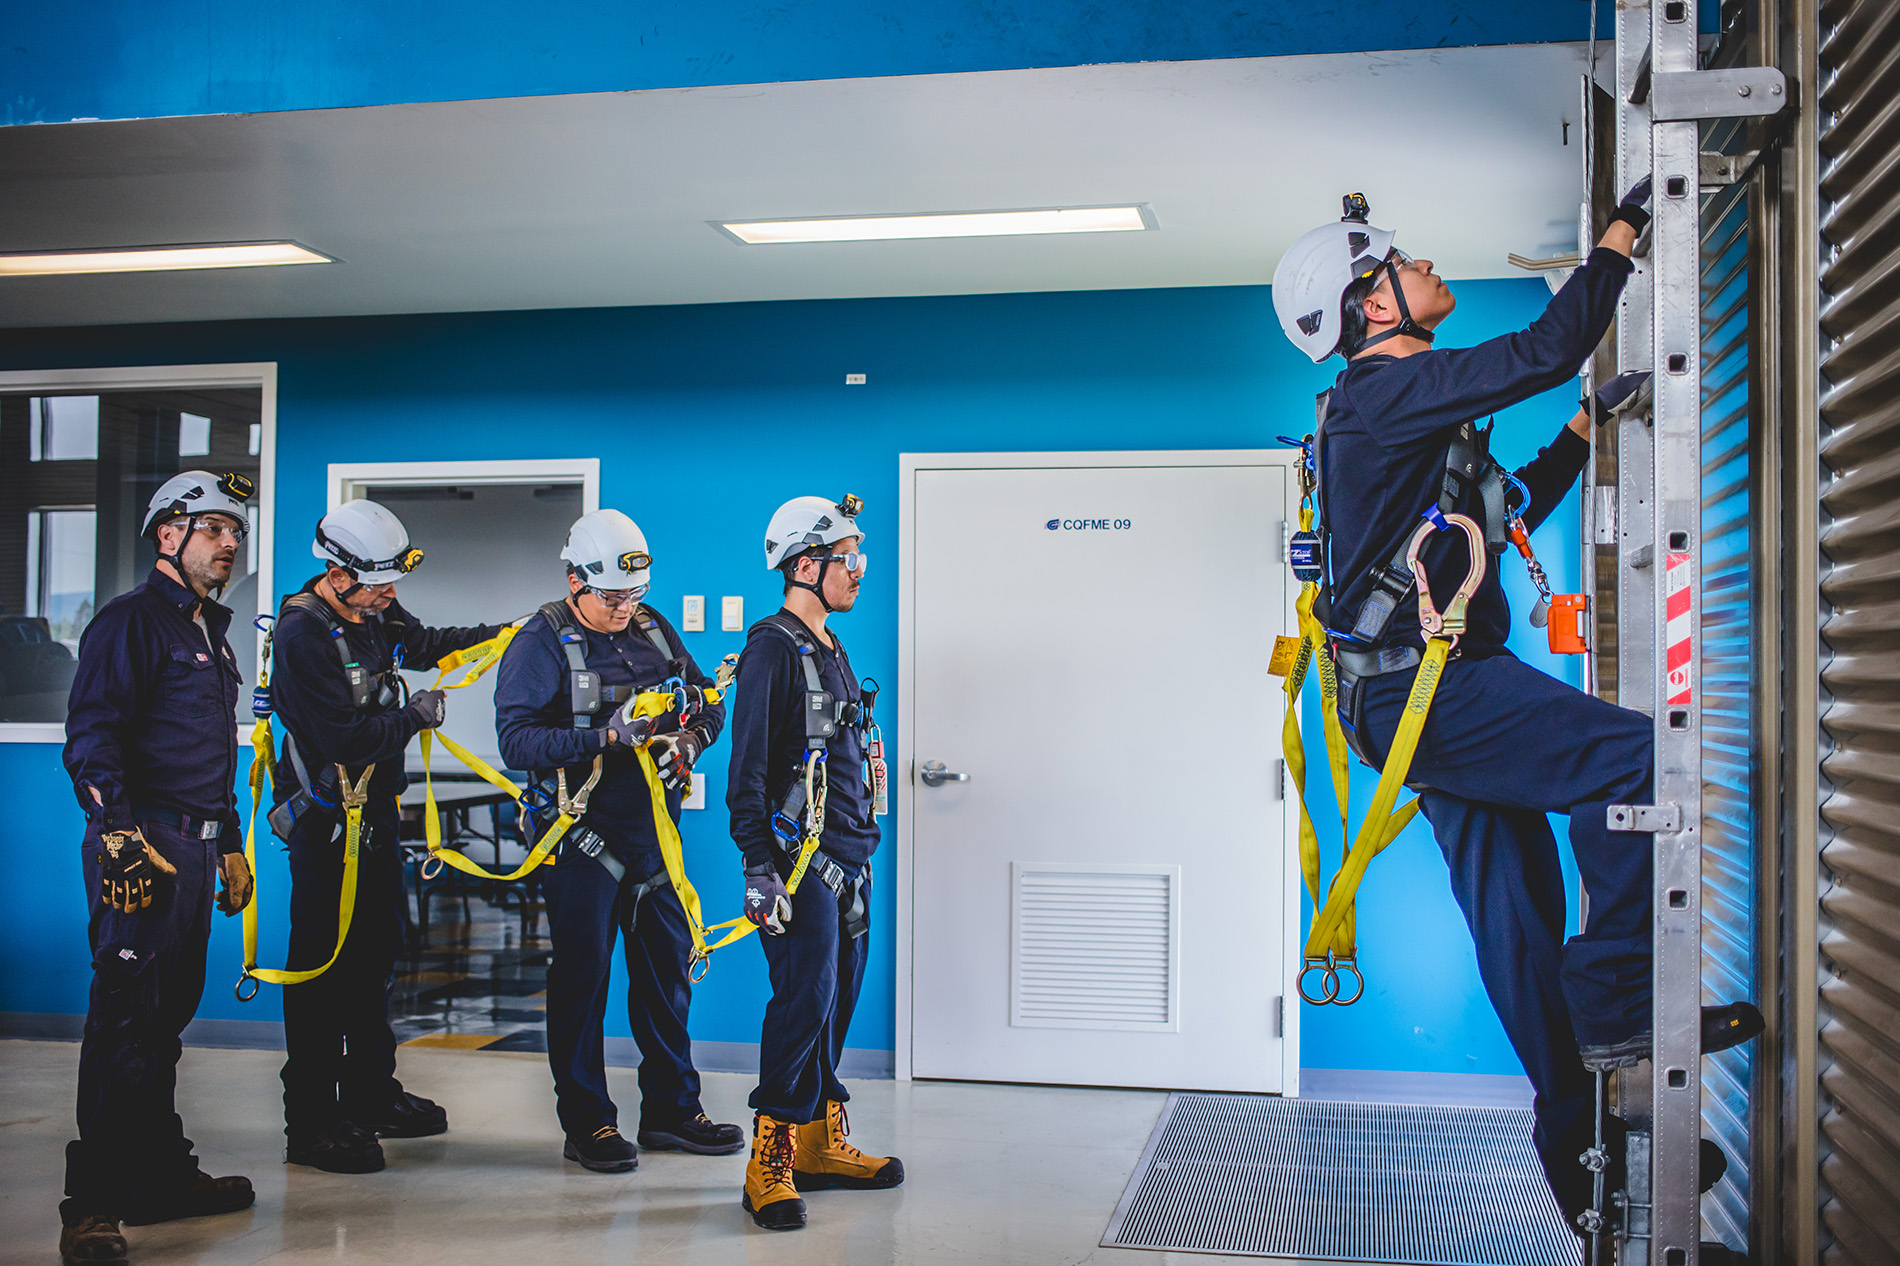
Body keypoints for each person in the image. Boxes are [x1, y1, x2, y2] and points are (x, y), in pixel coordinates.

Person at [1270, 187, 1761, 1232]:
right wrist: (1619, 240)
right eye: (1406, 263)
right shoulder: (1379, 394)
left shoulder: (1409, 417)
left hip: (1406, 698)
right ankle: (1621, 997)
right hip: (1425, 691)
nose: (1428, 266)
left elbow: (1511, 505)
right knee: (1637, 763)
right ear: (1369, 308)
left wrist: (1586, 425)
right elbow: (1542, 346)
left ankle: (1582, 1151)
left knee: (1516, 921)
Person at [493, 508, 744, 1172]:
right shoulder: (540, 642)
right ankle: (589, 1124)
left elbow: (707, 700)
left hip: (653, 835)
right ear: (576, 580)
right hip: (580, 838)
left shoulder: (654, 629)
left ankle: (672, 1109)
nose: (625, 608)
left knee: (667, 975)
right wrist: (606, 737)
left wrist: (690, 738)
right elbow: (516, 742)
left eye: (635, 595)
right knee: (583, 978)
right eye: (612, 597)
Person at [59, 471, 260, 1266]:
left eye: (235, 531)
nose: (231, 542)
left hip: (197, 845)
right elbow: (92, 737)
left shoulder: (210, 632)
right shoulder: (130, 623)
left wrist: (234, 843)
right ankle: (94, 1207)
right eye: (214, 527)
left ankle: (158, 1177)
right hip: (143, 848)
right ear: (168, 535)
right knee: (123, 1028)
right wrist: (116, 835)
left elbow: (211, 755)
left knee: (162, 1027)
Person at [269, 498, 504, 1174]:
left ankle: (371, 1093)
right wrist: (413, 717)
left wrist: (511, 632)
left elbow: (428, 644)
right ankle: (311, 1123)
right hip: (324, 827)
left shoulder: (375, 615)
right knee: (321, 969)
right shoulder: (303, 635)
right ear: (336, 574)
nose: (389, 595)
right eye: (377, 583)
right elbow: (344, 737)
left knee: (375, 956)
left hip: (373, 819)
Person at [727, 494, 903, 1232]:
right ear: (805, 566)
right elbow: (748, 774)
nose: (859, 571)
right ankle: (768, 1159)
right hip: (799, 868)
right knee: (801, 1004)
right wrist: (760, 871)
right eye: (847, 559)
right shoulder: (772, 646)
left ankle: (819, 1144)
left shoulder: (829, 645)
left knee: (836, 1003)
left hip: (851, 859)